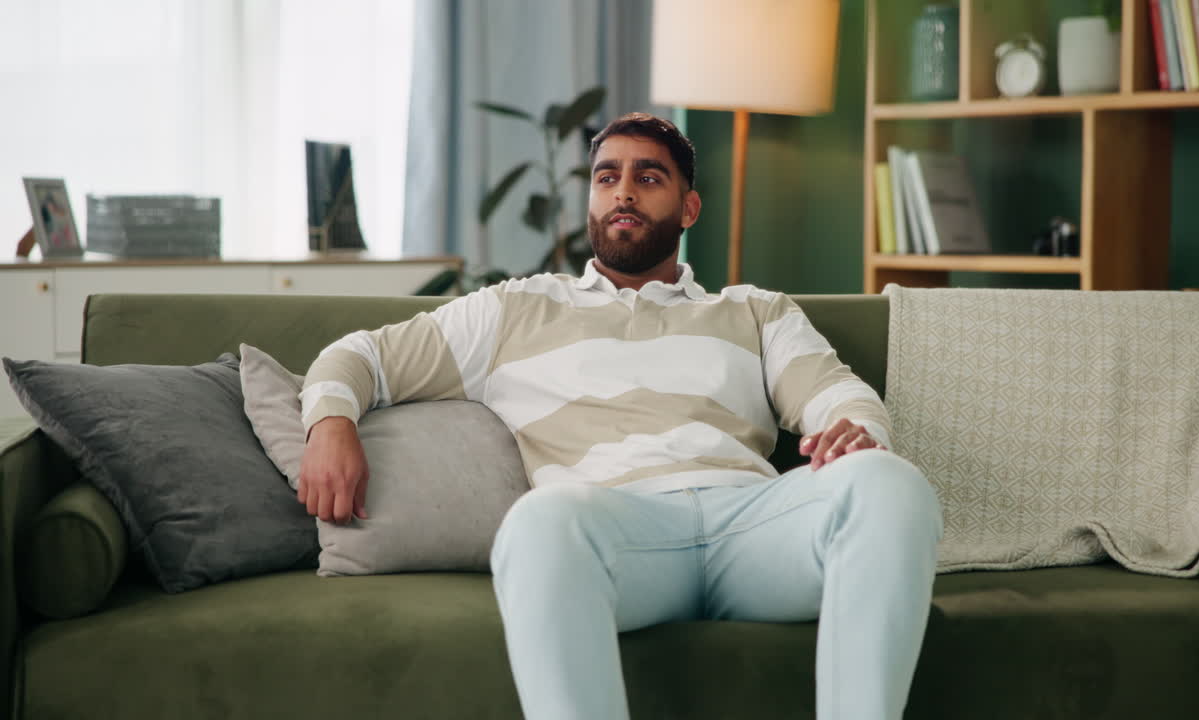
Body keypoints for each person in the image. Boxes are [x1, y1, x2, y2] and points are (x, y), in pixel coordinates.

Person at [297, 112, 942, 720]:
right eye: (607, 177)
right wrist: (330, 425)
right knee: (538, 523)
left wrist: (859, 434)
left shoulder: (754, 311)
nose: (624, 192)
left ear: (688, 207)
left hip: (752, 527)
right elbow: (360, 356)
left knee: (892, 485)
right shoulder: (513, 310)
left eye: (648, 177)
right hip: (617, 534)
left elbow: (839, 394)